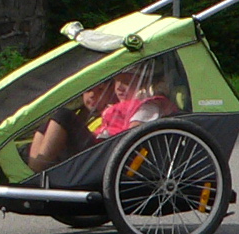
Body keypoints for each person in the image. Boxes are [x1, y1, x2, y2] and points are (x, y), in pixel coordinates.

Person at [26, 61, 178, 173]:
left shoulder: (147, 106)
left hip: (107, 155)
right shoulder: (118, 106)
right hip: (100, 149)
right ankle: (34, 165)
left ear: (142, 84)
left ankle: (36, 168)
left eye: (126, 82)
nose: (119, 87)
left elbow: (133, 138)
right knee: (51, 123)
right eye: (117, 81)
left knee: (63, 115)